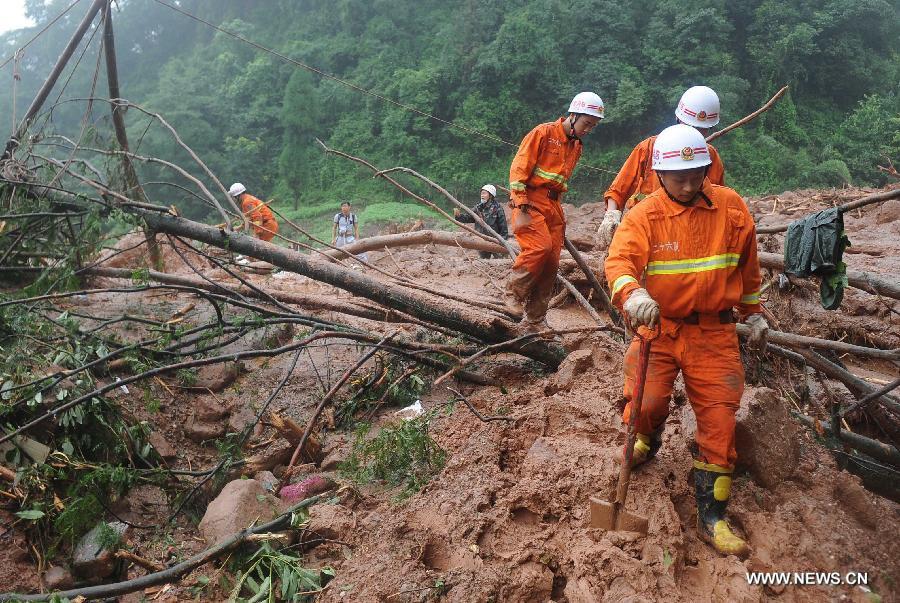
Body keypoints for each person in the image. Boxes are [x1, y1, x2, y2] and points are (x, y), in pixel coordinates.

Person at [604, 124, 769, 559]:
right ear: (658, 174)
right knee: (646, 401)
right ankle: (645, 439)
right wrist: (632, 291)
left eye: (698, 173)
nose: (690, 183)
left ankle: (712, 516)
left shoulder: (731, 209)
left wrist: (753, 314)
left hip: (714, 333)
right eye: (679, 177)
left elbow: (748, 271)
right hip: (660, 328)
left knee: (720, 421)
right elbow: (619, 261)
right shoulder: (643, 215)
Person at [506, 91, 605, 333]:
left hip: (554, 206)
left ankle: (535, 321)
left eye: (593, 126)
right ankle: (513, 295)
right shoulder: (544, 133)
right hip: (530, 201)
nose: (588, 129)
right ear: (573, 115)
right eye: (586, 123)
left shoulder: (576, 146)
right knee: (538, 248)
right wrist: (520, 202)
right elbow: (519, 167)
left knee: (551, 263)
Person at [597, 86, 726, 246]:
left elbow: (716, 202)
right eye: (690, 127)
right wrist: (611, 216)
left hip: (688, 233)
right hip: (646, 228)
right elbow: (618, 191)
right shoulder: (649, 148)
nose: (693, 134)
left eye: (701, 131)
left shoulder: (709, 157)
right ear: (678, 120)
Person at [454, 184, 509, 258]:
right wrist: (459, 216)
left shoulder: (497, 208)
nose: (482, 195)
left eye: (484, 193)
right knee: (484, 262)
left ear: (491, 195)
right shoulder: (478, 208)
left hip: (495, 241)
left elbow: (503, 225)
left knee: (500, 261)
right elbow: (469, 218)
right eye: (481, 193)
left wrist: (503, 240)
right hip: (481, 240)